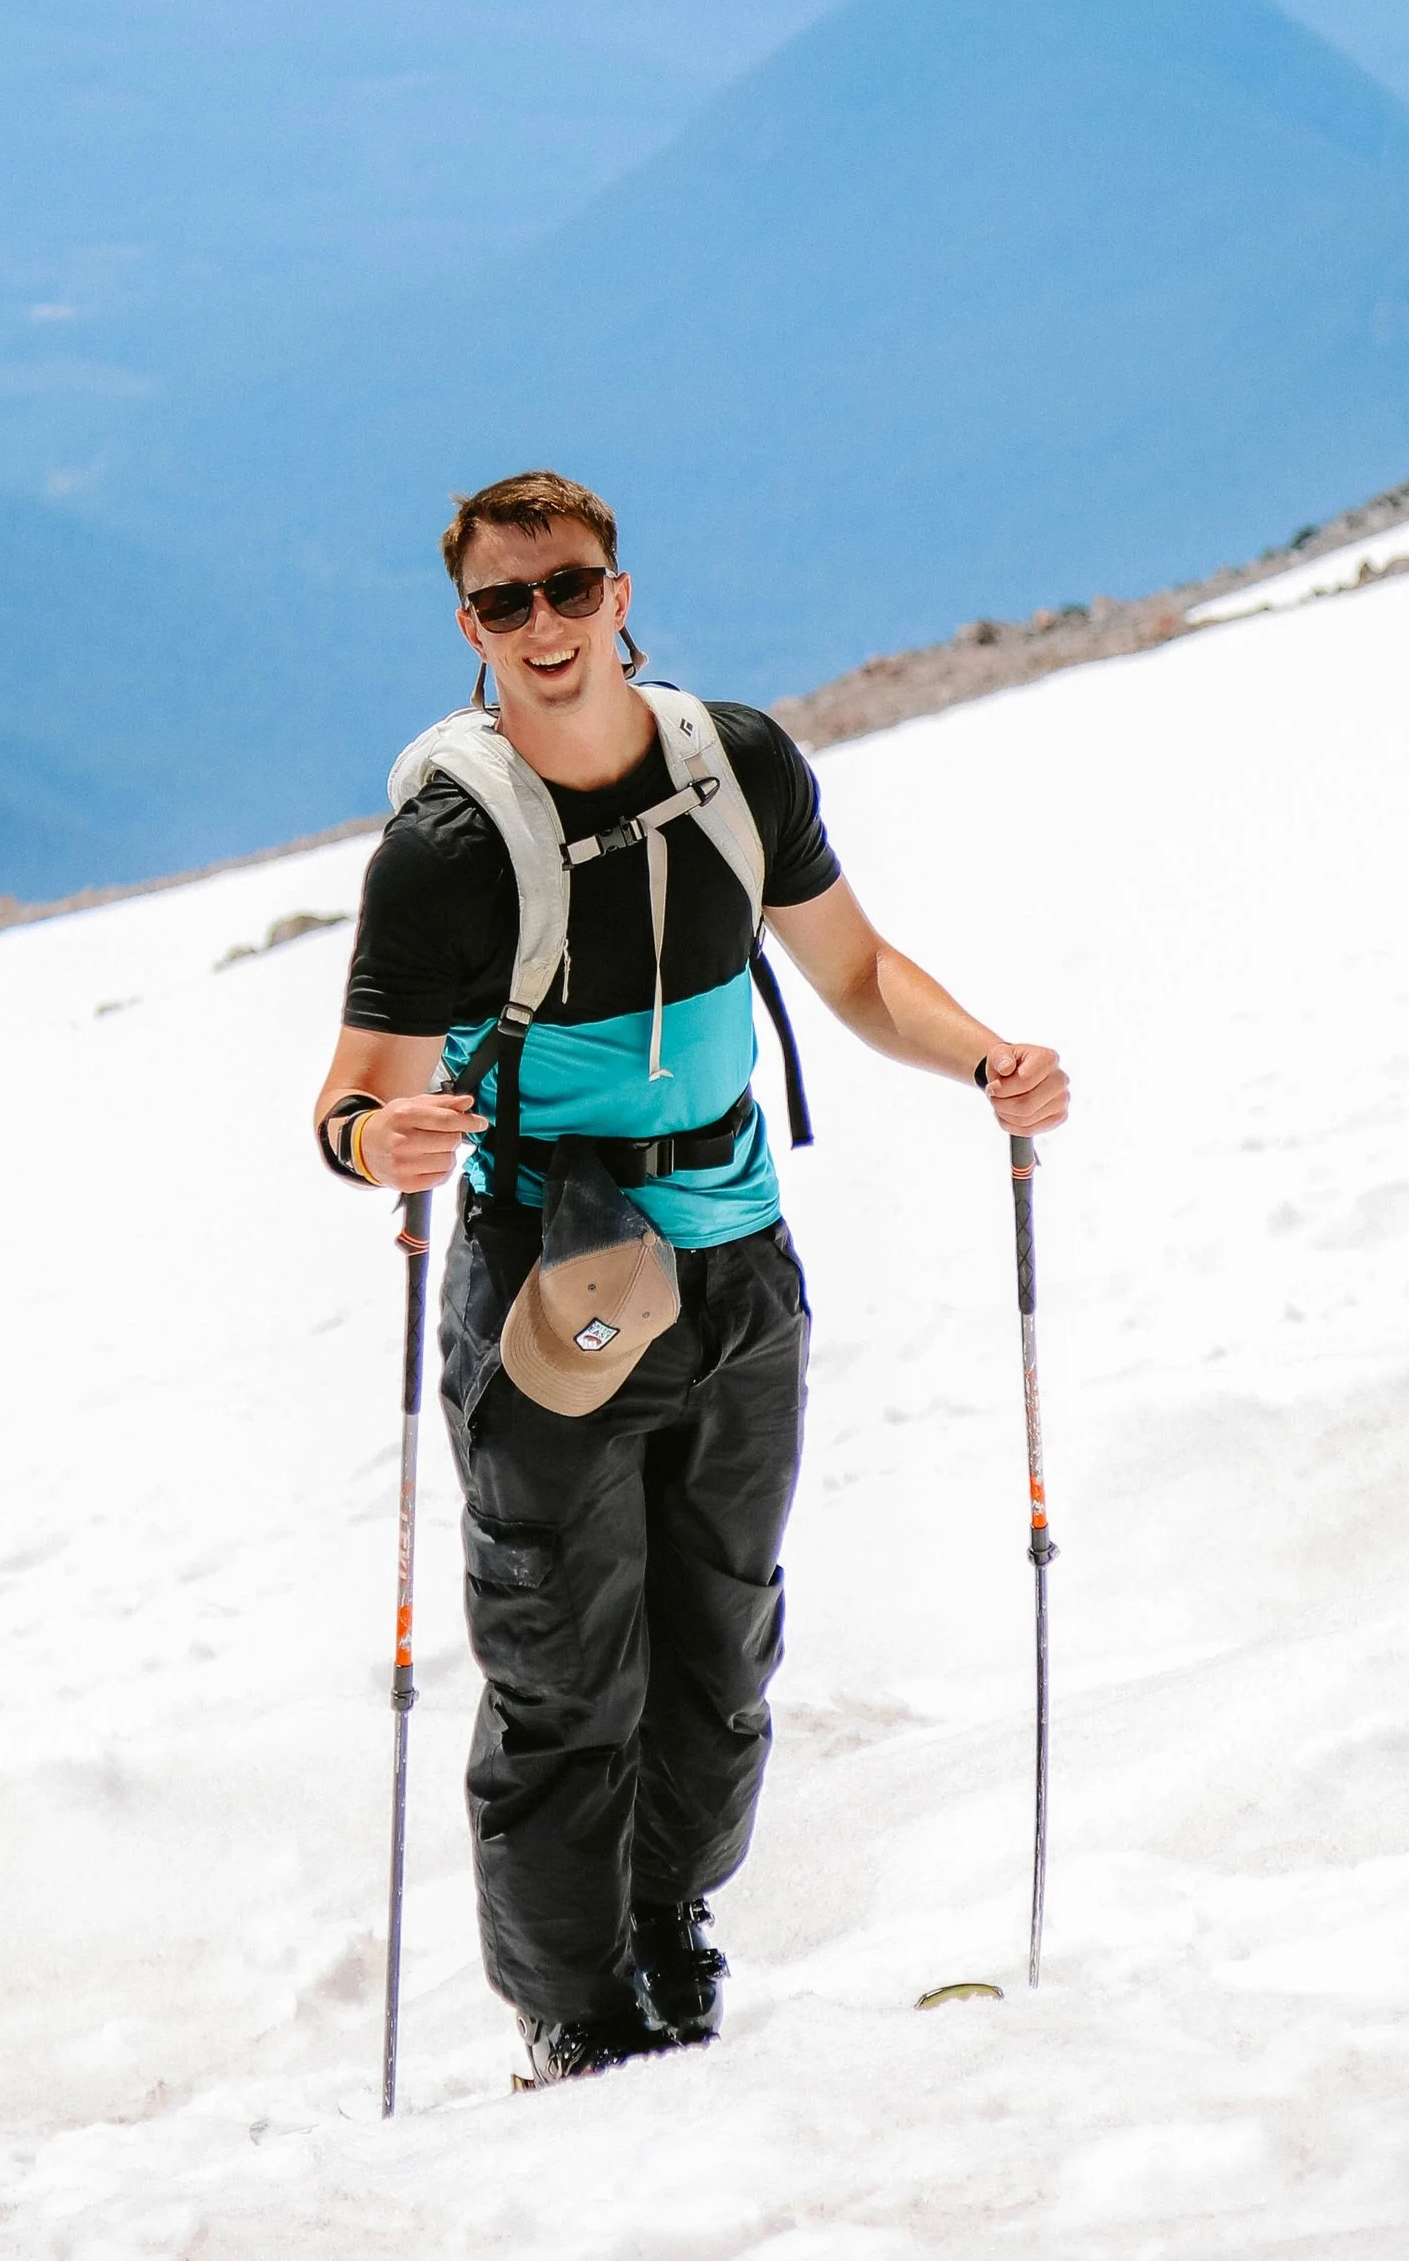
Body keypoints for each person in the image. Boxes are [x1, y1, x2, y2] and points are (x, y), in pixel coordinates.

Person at [312, 470, 1068, 2085]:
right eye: (506, 603)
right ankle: (576, 2022)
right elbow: (351, 1091)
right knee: (563, 1667)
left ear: (621, 591)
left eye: (568, 587)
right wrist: (381, 1145)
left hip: (734, 1264)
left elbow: (855, 972)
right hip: (547, 1281)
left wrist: (986, 1057)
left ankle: (668, 1932)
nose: (545, 626)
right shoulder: (448, 850)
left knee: (720, 1650)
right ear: (468, 627)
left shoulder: (739, 769)